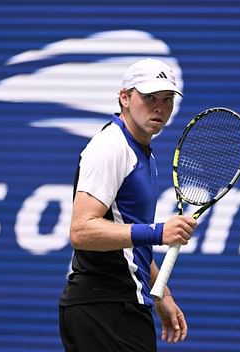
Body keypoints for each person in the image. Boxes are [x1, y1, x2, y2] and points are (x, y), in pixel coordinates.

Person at [58, 58, 198, 352]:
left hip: (119, 305)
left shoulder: (142, 151)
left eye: (167, 99)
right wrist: (159, 233)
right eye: (149, 98)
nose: (159, 107)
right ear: (124, 97)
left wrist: (162, 295)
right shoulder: (111, 147)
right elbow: (81, 231)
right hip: (105, 308)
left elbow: (125, 237)